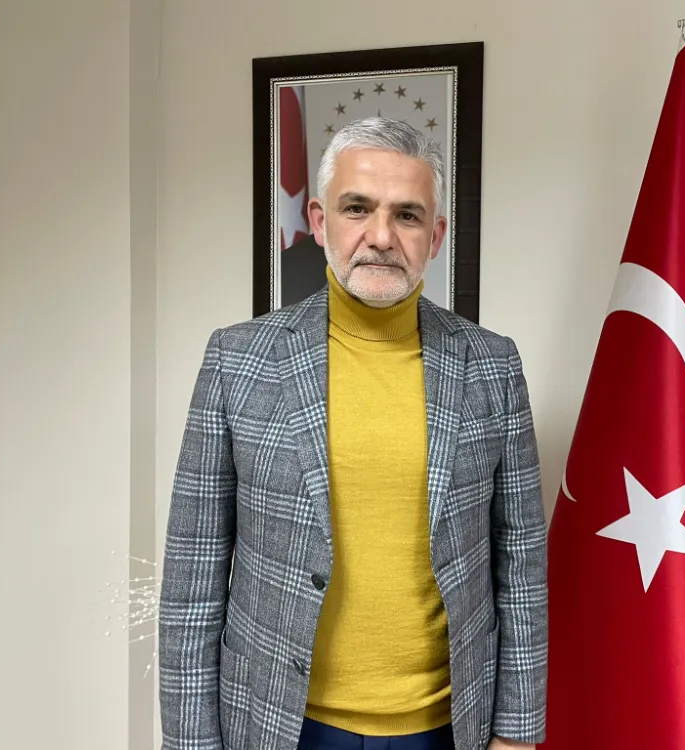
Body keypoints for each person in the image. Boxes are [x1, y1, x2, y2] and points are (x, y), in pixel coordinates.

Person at [158, 117, 548, 750]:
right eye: (357, 208)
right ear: (319, 221)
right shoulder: (237, 359)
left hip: (447, 728)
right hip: (281, 726)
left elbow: (522, 564)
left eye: (407, 215)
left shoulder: (493, 366)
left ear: (436, 236)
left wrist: (517, 731)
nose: (381, 236)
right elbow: (192, 579)